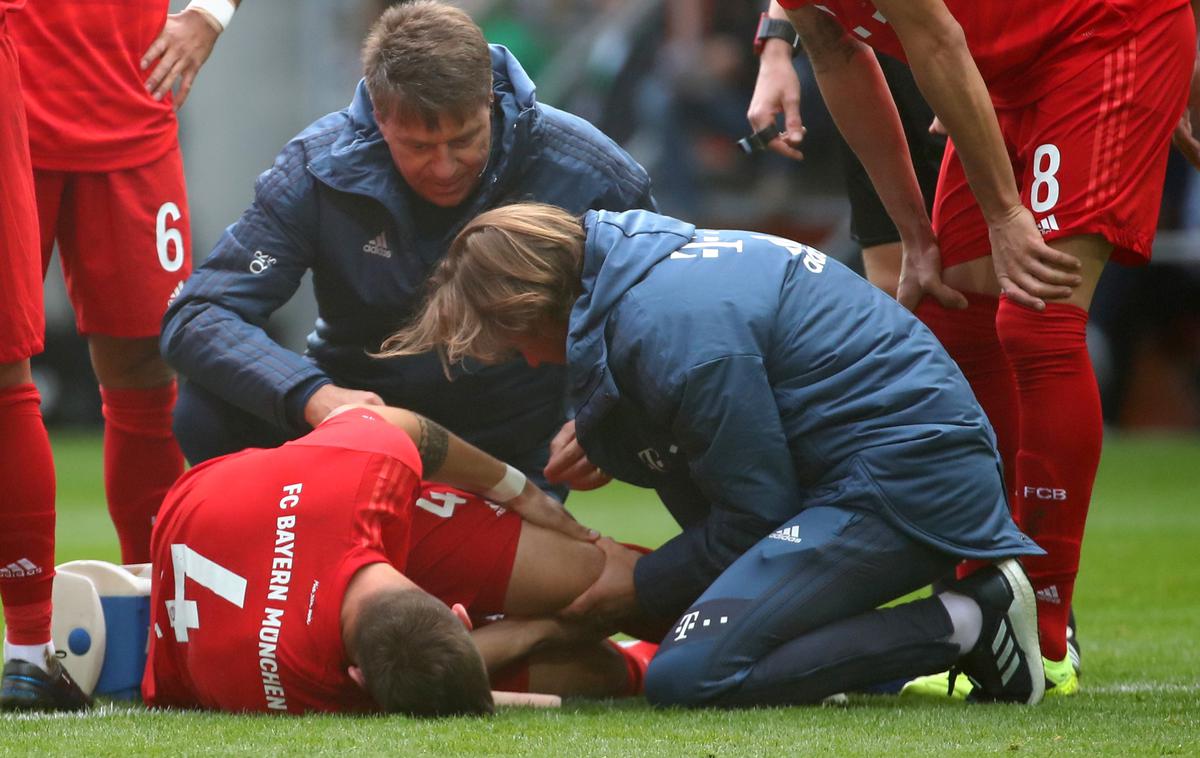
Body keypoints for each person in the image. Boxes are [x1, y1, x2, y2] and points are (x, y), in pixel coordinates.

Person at [379, 202, 1049, 707]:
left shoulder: (671, 331)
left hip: (901, 479)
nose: (527, 361)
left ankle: (971, 617)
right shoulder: (639, 275)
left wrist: (633, 588)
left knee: (686, 675)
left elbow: (754, 512)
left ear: (531, 305)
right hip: (885, 466)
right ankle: (832, 647)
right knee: (687, 622)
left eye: (516, 343)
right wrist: (611, 434)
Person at [747, 0, 1199, 694]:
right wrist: (915, 237)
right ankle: (984, 608)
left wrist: (1007, 214)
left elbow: (935, 35)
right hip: (1006, 73)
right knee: (949, 313)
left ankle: (1044, 633)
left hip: (1107, 34)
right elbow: (839, 57)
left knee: (1037, 317)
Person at [160, 0, 655, 499]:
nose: (443, 167)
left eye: (464, 141)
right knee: (207, 404)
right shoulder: (317, 168)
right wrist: (312, 395)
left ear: (489, 98)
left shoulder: (591, 173)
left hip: (511, 448)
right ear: (378, 114)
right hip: (355, 432)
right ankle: (269, 554)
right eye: (417, 147)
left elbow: (660, 319)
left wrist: (607, 418)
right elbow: (199, 314)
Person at [142, 403, 652, 714]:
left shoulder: (302, 682)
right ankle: (645, 664)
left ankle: (703, 609)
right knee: (594, 670)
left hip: (290, 509)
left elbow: (400, 425)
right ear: (458, 611)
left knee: (594, 579)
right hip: (235, 521)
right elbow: (425, 676)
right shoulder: (308, 678)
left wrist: (518, 490)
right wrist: (540, 631)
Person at [5, 0, 239, 568]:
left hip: (129, 112)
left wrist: (210, 13)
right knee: (5, 366)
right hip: (11, 119)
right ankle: (31, 643)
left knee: (144, 367)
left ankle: (154, 621)